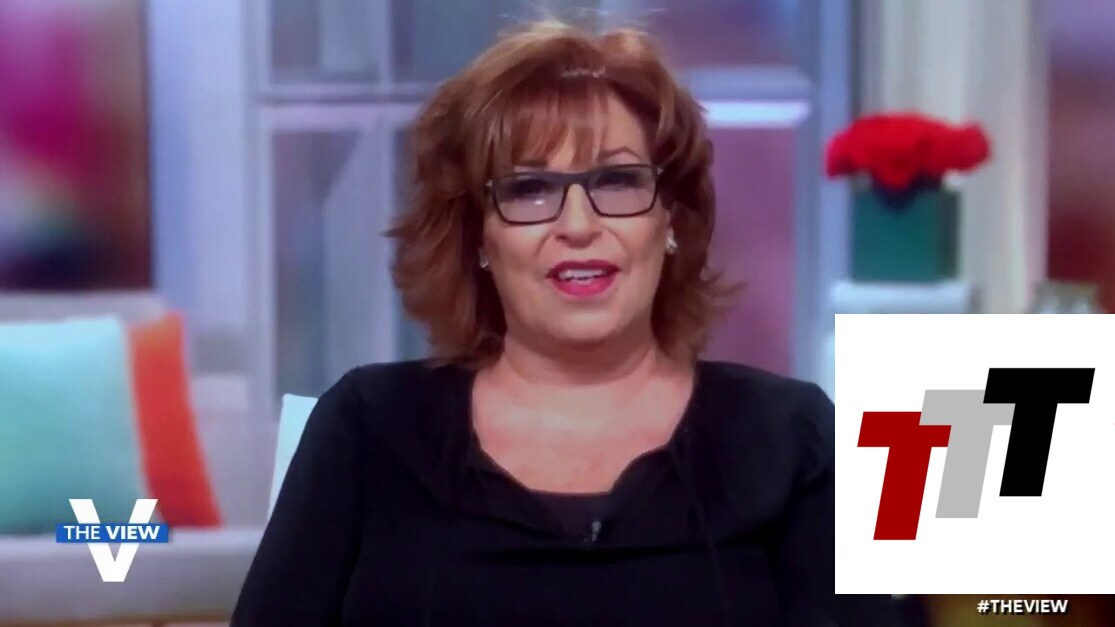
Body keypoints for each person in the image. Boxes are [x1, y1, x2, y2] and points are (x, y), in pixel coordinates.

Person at [233, 20, 894, 627]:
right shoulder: (366, 428)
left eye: (618, 181)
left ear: (669, 219)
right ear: (478, 236)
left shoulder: (792, 438)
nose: (578, 225)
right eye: (529, 189)